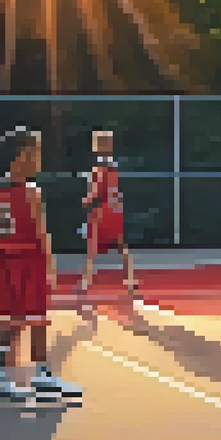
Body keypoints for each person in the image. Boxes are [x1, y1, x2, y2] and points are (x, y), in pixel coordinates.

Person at [0, 128, 81, 405]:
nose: (40, 160)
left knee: (17, 319)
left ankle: (23, 375)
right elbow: (40, 233)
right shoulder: (31, 192)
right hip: (28, 262)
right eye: (37, 153)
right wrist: (50, 265)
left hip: (3, 264)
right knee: (27, 319)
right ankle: (21, 376)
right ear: (21, 157)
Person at [77, 130, 136, 308]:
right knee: (121, 246)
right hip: (113, 211)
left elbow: (98, 191)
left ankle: (86, 282)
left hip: (101, 211)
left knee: (92, 248)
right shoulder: (112, 167)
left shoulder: (101, 168)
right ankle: (130, 280)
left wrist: (86, 201)